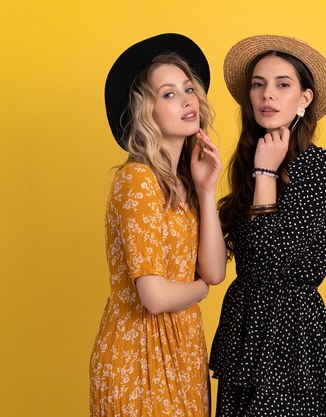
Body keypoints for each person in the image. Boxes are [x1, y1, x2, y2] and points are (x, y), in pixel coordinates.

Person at [210, 35, 326, 416]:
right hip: (245, 326)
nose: (267, 95)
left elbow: (272, 259)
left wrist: (266, 170)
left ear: (305, 99)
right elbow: (221, 264)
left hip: (292, 335)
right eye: (258, 85)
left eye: (282, 85)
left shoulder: (318, 167)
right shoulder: (250, 164)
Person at [90, 33, 226, 417]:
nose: (187, 100)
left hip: (182, 351)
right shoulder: (138, 179)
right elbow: (155, 297)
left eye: (188, 88)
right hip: (138, 355)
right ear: (144, 111)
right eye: (168, 94)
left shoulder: (183, 183)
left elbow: (214, 271)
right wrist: (199, 291)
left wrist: (205, 189)